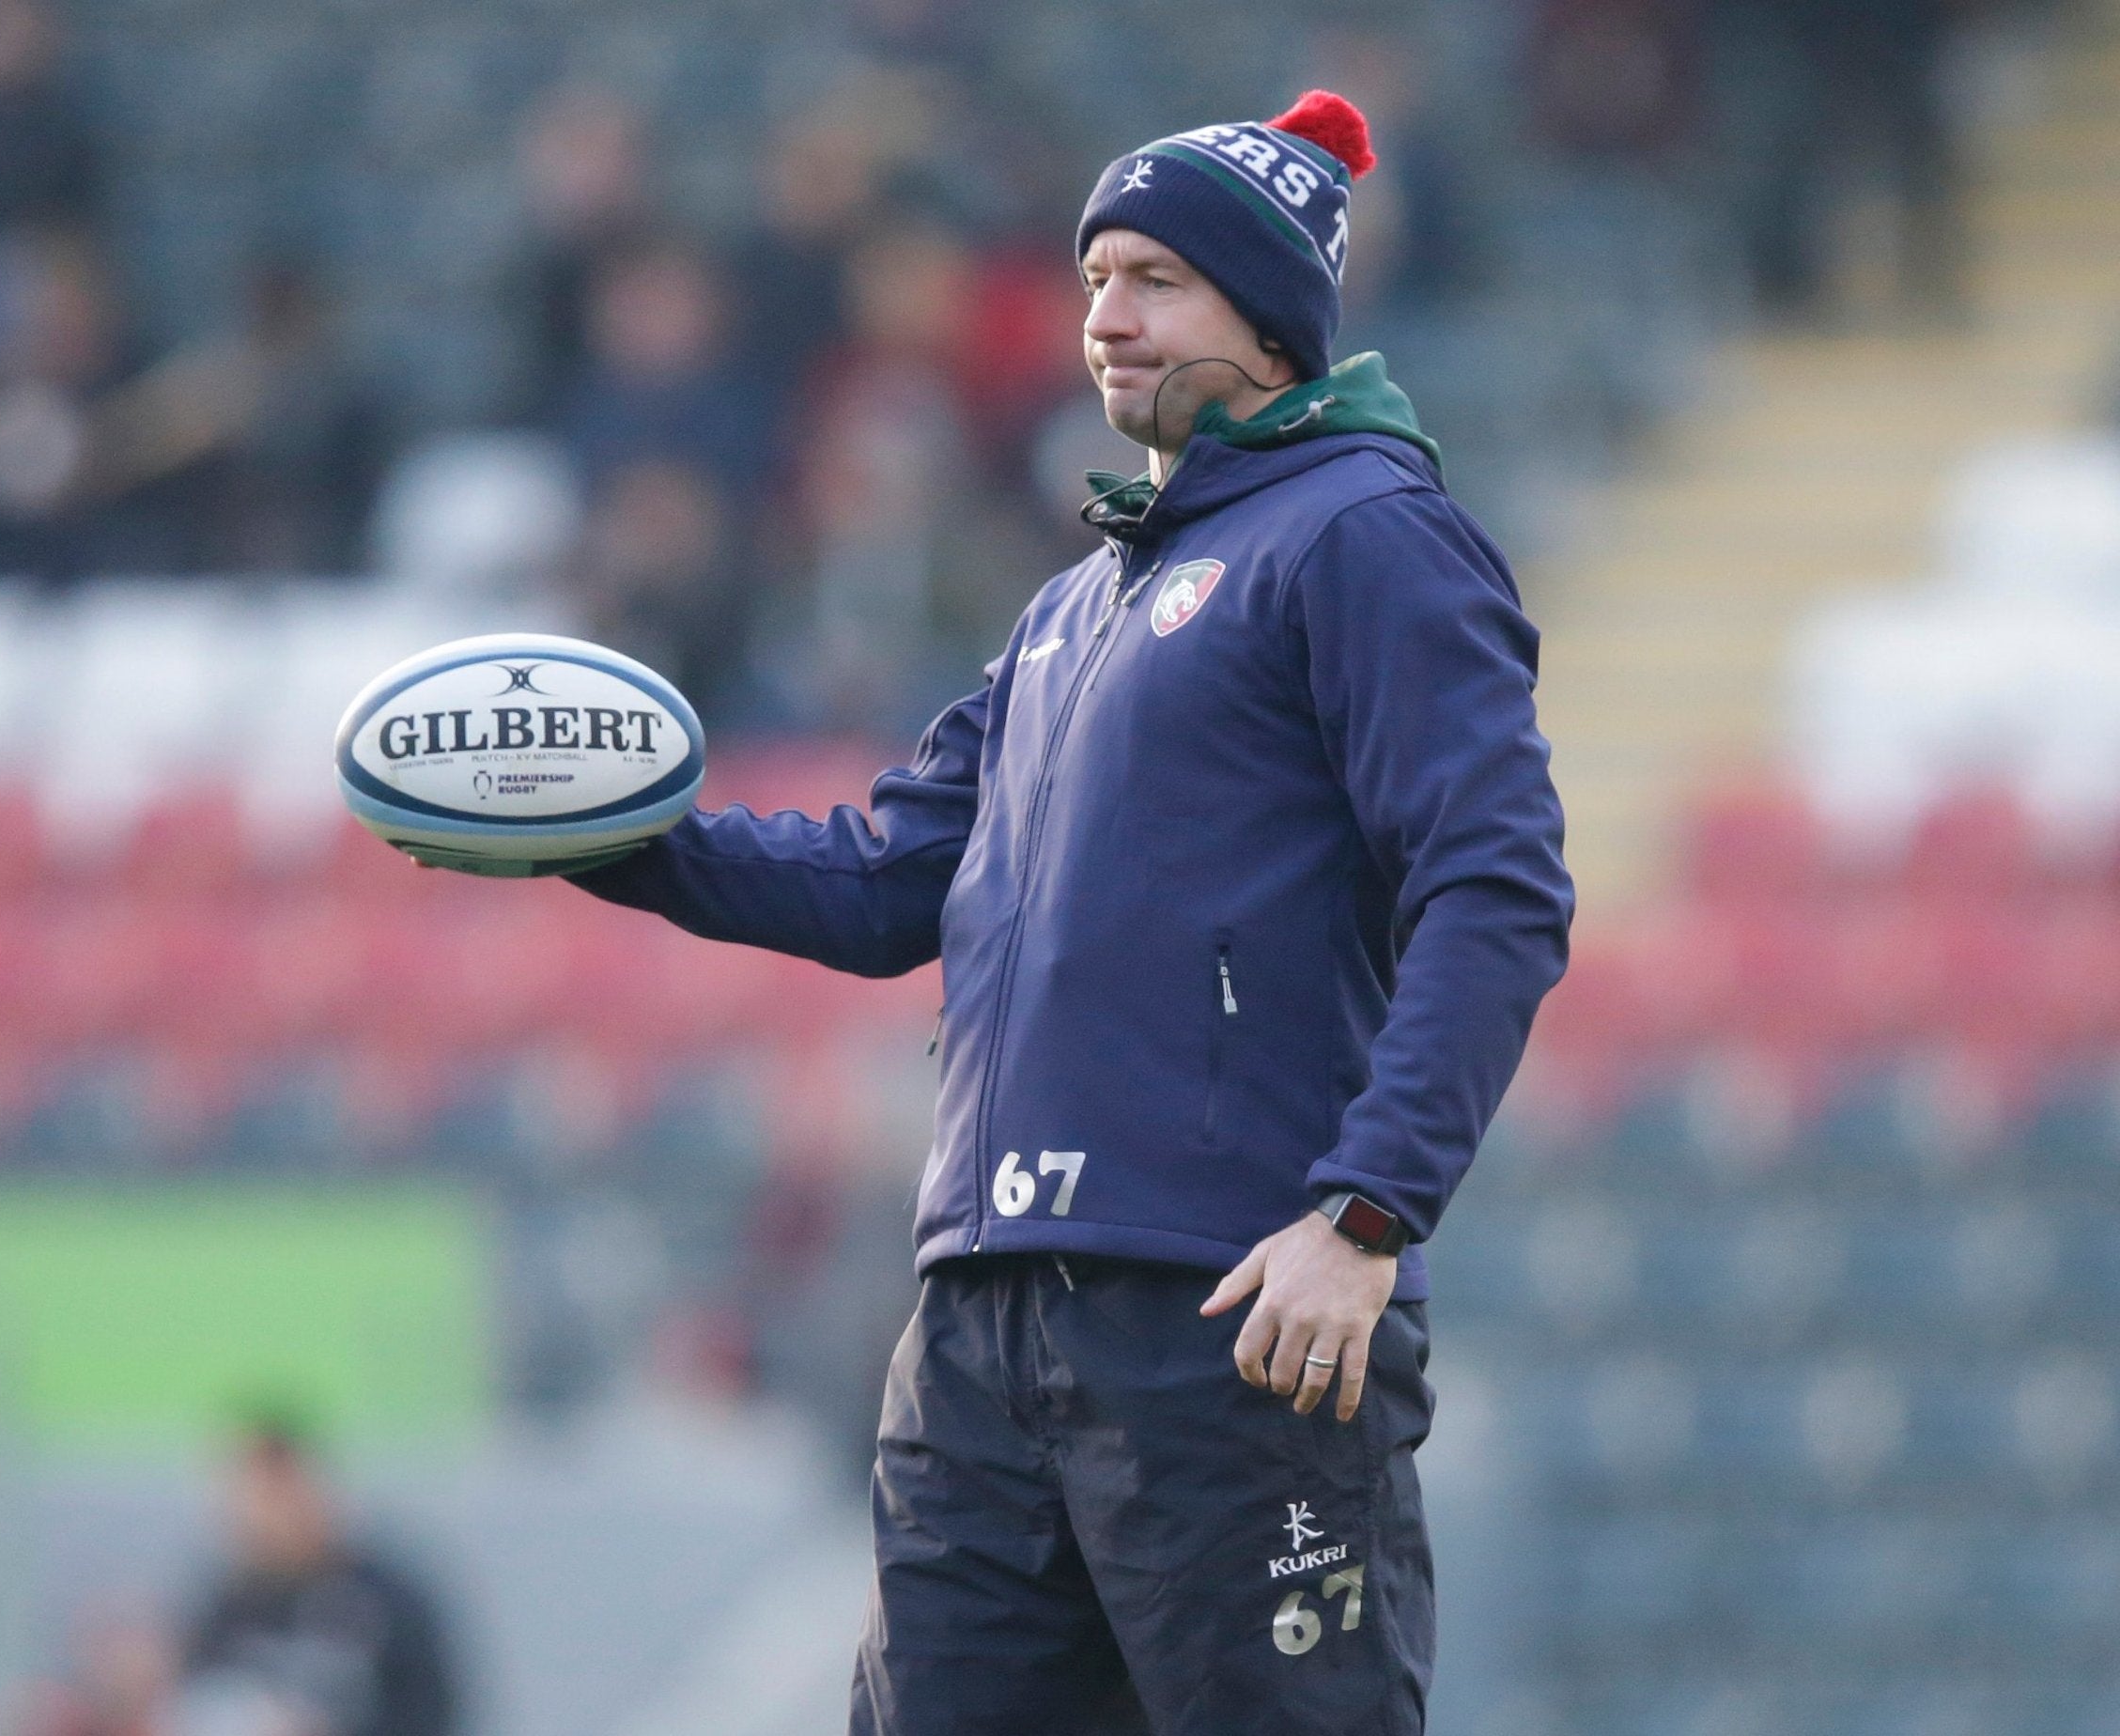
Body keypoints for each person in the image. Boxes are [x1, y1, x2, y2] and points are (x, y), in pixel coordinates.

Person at [571, 88, 1573, 1734]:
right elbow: (891, 875)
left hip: (1232, 1323)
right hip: (977, 1328)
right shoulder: (1070, 602)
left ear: (1267, 314)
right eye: (1092, 274)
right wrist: (615, 840)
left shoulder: (1366, 535)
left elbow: (1498, 881)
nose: (1100, 314)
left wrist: (1366, 1215)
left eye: (1154, 279)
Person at [178, 1420, 458, 1736]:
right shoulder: (225, 1610)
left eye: (278, 1497)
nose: (267, 1518)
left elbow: (432, 1709)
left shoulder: (388, 1604)